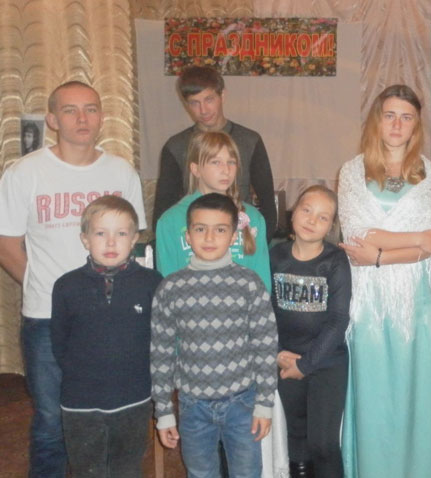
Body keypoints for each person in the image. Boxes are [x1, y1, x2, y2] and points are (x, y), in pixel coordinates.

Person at [0, 80, 146, 477]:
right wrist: (49, 289)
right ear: (52, 119)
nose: (82, 118)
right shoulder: (25, 173)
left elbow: (131, 242)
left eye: (91, 109)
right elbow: (7, 244)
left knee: (112, 415)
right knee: (51, 418)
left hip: (111, 318)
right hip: (47, 318)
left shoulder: (121, 172)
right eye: (70, 110)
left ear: (102, 116)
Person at [337, 84, 431, 477]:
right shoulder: (352, 172)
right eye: (390, 115)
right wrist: (417, 237)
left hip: (417, 306)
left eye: (406, 117)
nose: (397, 125)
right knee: (375, 400)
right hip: (369, 305)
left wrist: (380, 256)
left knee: (416, 398)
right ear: (377, 120)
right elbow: (358, 236)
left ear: (416, 125)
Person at [150, 193, 277, 478]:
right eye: (200, 229)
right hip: (193, 406)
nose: (209, 237)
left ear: (233, 237)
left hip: (243, 403)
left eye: (220, 229)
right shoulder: (170, 288)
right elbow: (161, 352)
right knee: (200, 473)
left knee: (247, 473)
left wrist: (264, 404)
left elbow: (265, 344)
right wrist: (164, 411)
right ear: (188, 236)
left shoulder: (249, 283)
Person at [50, 196, 162, 478]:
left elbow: (159, 340)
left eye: (121, 234)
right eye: (101, 233)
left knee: (128, 468)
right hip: (80, 402)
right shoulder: (66, 286)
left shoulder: (152, 283)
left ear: (134, 239)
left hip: (134, 398)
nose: (111, 242)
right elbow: (59, 343)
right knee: (86, 470)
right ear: (85, 239)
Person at [271, 185, 351, 478]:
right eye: (306, 210)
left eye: (322, 217)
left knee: (323, 444)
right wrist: (277, 353)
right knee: (296, 438)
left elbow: (338, 320)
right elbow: (263, 311)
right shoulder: (275, 255)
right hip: (285, 360)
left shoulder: (335, 261)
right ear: (293, 213)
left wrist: (306, 365)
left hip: (326, 363)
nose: (312, 220)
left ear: (331, 226)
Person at [153, 65, 276, 242]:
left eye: (209, 99)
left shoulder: (250, 141)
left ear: (222, 96)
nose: (203, 110)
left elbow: (268, 202)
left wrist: (260, 243)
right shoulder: (176, 146)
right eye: (194, 103)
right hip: (194, 242)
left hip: (240, 239)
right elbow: (163, 209)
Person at [155, 131, 271, 289]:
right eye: (216, 162)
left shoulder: (253, 217)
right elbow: (167, 283)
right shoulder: (171, 220)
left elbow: (262, 283)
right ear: (196, 169)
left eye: (231, 162)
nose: (226, 170)